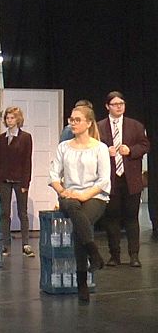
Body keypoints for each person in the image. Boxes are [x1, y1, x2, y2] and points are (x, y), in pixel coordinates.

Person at [49, 105, 110, 303]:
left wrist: (84, 195)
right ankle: (93, 252)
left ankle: (82, 280)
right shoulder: (64, 147)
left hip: (95, 195)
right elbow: (53, 175)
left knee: (79, 225)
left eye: (77, 120)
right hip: (69, 196)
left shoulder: (100, 148)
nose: (73, 123)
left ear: (89, 123)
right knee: (73, 208)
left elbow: (104, 180)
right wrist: (62, 191)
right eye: (71, 120)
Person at [96, 92, 150, 267]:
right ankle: (114, 255)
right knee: (112, 219)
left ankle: (134, 255)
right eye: (115, 104)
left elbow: (145, 145)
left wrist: (131, 150)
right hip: (111, 178)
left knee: (132, 218)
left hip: (131, 178)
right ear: (107, 106)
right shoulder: (99, 127)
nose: (119, 106)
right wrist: (105, 151)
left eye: (121, 103)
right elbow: (92, 148)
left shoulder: (135, 125)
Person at [0, 106, 34, 257]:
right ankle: (6, 244)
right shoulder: (1, 138)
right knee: (5, 213)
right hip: (4, 180)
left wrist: (26, 183)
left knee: (22, 212)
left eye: (12, 118)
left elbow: (27, 161)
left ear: (18, 119)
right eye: (7, 118)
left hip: (19, 180)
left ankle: (26, 244)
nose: (9, 120)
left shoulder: (25, 137)